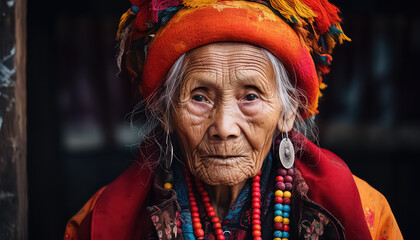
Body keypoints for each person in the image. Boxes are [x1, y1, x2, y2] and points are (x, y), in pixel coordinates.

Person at [64, 0, 403, 239]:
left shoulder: (365, 214)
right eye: (199, 97)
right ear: (165, 112)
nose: (224, 128)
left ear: (287, 112)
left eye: (251, 96)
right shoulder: (99, 224)